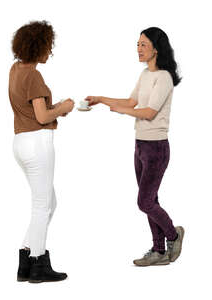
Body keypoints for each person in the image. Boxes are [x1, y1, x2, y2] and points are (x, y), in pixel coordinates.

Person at [85, 27, 184, 267]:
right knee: (151, 199)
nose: (138, 49)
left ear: (156, 49)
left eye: (143, 44)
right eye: (137, 44)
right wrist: (101, 99)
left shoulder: (164, 77)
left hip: (156, 148)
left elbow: (149, 113)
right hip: (140, 145)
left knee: (145, 202)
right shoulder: (145, 75)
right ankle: (159, 250)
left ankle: (174, 235)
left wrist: (122, 111)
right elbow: (131, 101)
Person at [9, 20, 74, 282]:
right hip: (37, 143)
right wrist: (64, 107)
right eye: (49, 47)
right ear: (39, 47)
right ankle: (38, 264)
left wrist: (54, 108)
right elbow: (42, 115)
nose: (50, 52)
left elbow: (33, 110)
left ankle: (26, 260)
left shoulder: (15, 69)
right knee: (42, 205)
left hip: (21, 142)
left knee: (48, 203)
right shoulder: (33, 75)